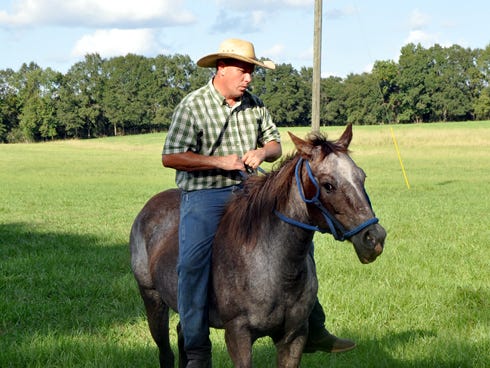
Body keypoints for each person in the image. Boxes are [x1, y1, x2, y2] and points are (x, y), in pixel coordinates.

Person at [162, 38, 355, 368]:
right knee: (192, 264)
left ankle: (315, 328)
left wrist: (262, 152)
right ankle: (196, 351)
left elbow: (275, 145)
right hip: (206, 193)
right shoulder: (193, 106)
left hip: (250, 189)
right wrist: (218, 162)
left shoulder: (255, 104)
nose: (248, 77)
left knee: (297, 241)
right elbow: (170, 157)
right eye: (242, 70)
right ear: (221, 69)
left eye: (251, 71)